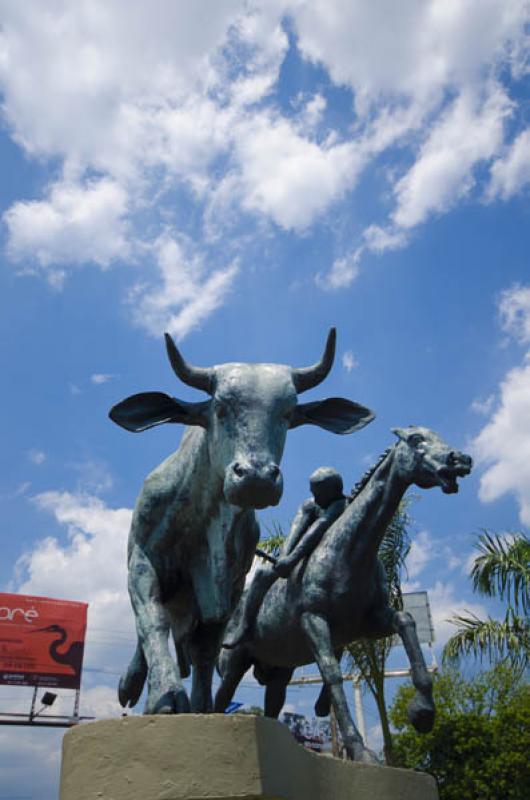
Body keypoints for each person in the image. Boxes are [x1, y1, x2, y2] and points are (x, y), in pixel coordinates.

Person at [223, 467, 348, 649]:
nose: (315, 497)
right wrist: (284, 557)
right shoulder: (311, 505)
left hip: (326, 564)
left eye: (318, 493)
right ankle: (246, 627)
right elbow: (295, 532)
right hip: (299, 559)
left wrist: (292, 559)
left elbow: (319, 527)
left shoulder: (341, 505)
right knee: (262, 575)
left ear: (333, 490)